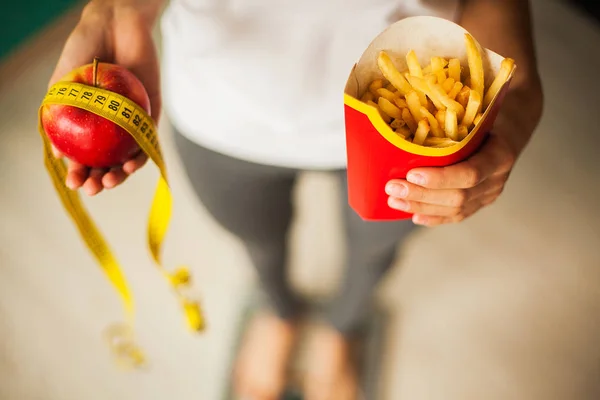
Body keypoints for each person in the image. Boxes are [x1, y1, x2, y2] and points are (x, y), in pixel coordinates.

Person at [48, 0, 543, 398]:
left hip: (407, 130)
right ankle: (279, 314)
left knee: (374, 253)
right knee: (259, 244)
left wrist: (512, 111)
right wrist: (115, 10)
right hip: (219, 117)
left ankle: (341, 330)